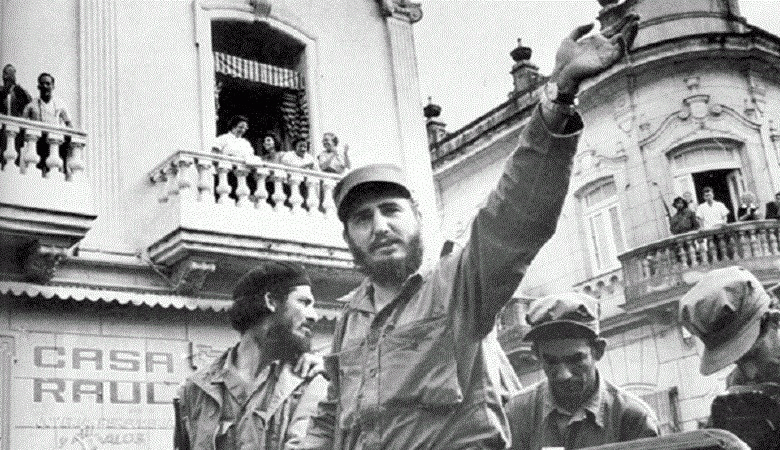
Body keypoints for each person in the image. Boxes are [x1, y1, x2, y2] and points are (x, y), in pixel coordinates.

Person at [303, 15, 639, 450]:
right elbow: (333, 412)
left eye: (391, 211)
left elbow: (514, 216)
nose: (380, 226)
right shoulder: (352, 317)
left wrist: (559, 94)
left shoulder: (457, 287)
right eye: (362, 219)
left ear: (417, 219)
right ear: (348, 237)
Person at [175, 262, 328, 449]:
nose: (314, 316)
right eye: (304, 302)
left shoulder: (308, 382)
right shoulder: (196, 389)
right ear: (271, 302)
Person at [506, 293, 660, 450]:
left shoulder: (632, 418)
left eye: (575, 360)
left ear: (598, 350)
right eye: (551, 361)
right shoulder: (518, 414)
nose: (564, 375)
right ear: (536, 355)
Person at [679, 266, 780, 386]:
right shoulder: (738, 384)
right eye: (736, 360)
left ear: (773, 320)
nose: (750, 374)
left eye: (753, 354)